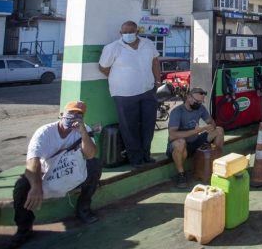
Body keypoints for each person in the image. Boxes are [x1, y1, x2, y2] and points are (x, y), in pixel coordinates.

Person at [10, 101, 101, 248]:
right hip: (47, 172)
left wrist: (84, 133)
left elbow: (90, 155)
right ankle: (24, 228)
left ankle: (84, 208)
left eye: (79, 114)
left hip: (70, 170)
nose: (75, 117)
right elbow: (33, 160)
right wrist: (36, 186)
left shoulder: (84, 129)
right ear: (61, 115)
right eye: (71, 113)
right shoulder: (45, 132)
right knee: (21, 186)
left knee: (94, 165)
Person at [98, 20, 161, 168]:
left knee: (148, 125)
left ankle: (146, 155)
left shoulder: (148, 44)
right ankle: (136, 159)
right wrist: (120, 79)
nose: (127, 35)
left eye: (130, 32)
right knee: (129, 127)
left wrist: (157, 82)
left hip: (148, 91)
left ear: (137, 32)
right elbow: (103, 67)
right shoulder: (112, 48)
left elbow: (155, 61)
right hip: (124, 94)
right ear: (120, 33)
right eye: (124, 32)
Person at [166, 88, 225, 188]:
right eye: (197, 101)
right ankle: (181, 174)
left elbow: (212, 123)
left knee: (219, 130)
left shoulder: (200, 108)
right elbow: (172, 135)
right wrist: (195, 131)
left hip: (195, 141)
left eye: (201, 101)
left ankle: (216, 163)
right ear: (189, 97)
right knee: (180, 143)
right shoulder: (177, 112)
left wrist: (210, 127)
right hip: (180, 145)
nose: (199, 104)